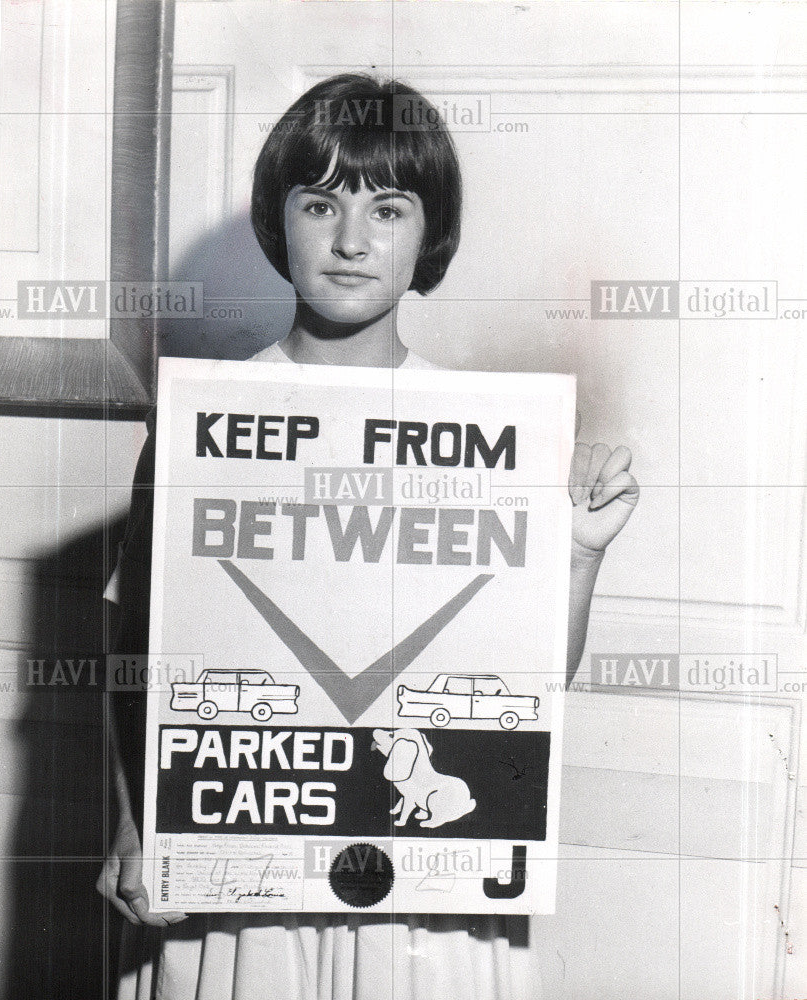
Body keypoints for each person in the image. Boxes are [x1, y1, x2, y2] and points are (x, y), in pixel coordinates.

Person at [98, 74, 639, 1000]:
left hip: (426, 900)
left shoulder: (490, 441)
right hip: (241, 880)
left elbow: (527, 686)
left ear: (427, 236)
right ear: (281, 221)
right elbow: (130, 645)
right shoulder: (203, 420)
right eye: (320, 204)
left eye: (386, 209)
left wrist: (579, 553)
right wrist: (131, 823)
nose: (351, 241)